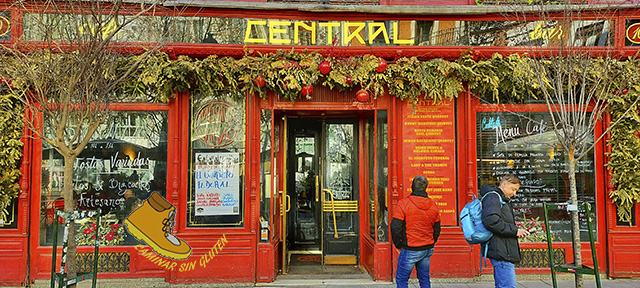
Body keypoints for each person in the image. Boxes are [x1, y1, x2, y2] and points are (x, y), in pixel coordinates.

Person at [391, 175, 441, 288]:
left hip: (411, 247)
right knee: (424, 279)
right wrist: (431, 242)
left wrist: (398, 244)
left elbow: (395, 226)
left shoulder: (403, 204)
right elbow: (437, 229)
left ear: (412, 187)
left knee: (402, 279)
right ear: (426, 188)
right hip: (427, 247)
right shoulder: (433, 205)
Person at [480, 173, 529, 288]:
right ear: (505, 184)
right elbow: (492, 221)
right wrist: (515, 231)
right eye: (513, 189)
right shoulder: (493, 197)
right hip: (501, 251)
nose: (514, 193)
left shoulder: (499, 198)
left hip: (503, 249)